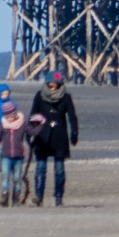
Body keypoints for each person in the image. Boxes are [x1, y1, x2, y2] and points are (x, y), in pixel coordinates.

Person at [30, 71, 79, 206]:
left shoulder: (66, 97)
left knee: (59, 170)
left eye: (55, 85)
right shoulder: (39, 96)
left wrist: (74, 133)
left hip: (59, 137)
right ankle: (39, 197)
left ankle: (58, 197)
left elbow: (72, 117)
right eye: (50, 85)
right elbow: (33, 116)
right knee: (40, 168)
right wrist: (30, 134)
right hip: (42, 137)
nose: (52, 87)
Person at [0, 100, 39, 207]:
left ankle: (16, 199)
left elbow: (33, 132)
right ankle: (4, 197)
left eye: (11, 115)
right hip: (5, 156)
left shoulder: (22, 124)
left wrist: (42, 124)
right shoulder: (2, 125)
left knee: (17, 178)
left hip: (19, 156)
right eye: (7, 116)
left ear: (15, 114)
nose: (9, 118)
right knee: (5, 177)